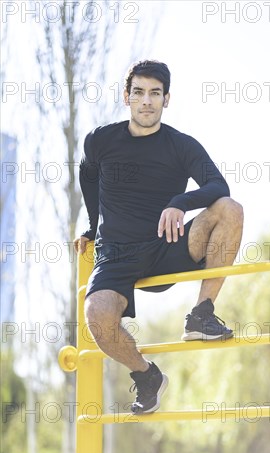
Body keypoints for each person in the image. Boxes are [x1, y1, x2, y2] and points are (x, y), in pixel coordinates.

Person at [73, 60, 244, 415]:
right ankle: (147, 376)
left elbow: (218, 186)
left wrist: (180, 203)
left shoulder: (181, 145)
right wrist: (92, 226)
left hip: (168, 246)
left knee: (230, 208)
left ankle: (202, 314)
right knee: (96, 317)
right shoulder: (101, 140)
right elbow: (87, 174)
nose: (146, 101)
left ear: (167, 99)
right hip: (117, 255)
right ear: (127, 97)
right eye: (139, 93)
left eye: (155, 93)